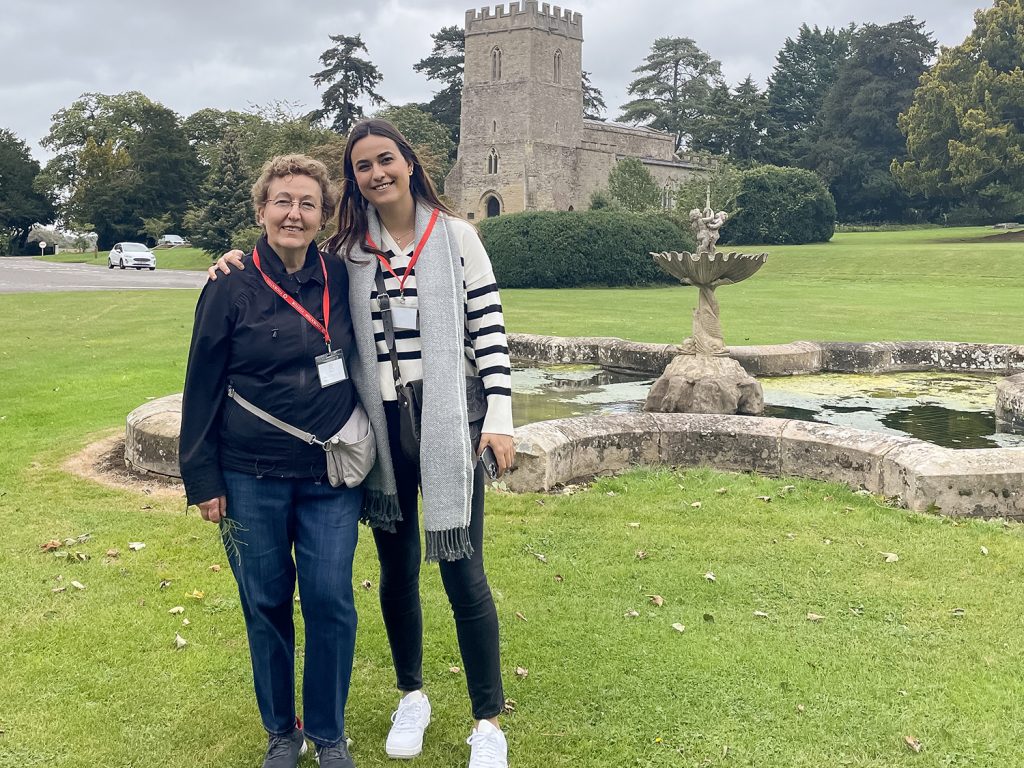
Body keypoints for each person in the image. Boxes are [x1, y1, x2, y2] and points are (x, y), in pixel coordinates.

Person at [210, 119, 516, 768]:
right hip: (380, 430)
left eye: (387, 160)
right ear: (353, 182)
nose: (377, 173)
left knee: (464, 572)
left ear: (409, 163)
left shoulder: (459, 236)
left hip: (449, 423)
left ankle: (487, 721)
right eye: (363, 167)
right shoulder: (349, 251)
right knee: (397, 573)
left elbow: (489, 331)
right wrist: (232, 257)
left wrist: (502, 416)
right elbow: (285, 265)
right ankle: (412, 694)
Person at [181, 154, 379, 768]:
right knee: (265, 605)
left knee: (329, 601)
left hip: (328, 475)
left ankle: (327, 733)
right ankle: (281, 733)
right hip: (248, 476)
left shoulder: (342, 276)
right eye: (282, 201)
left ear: (323, 216)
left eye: (308, 203)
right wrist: (203, 477)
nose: (294, 213)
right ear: (262, 209)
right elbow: (202, 383)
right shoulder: (229, 283)